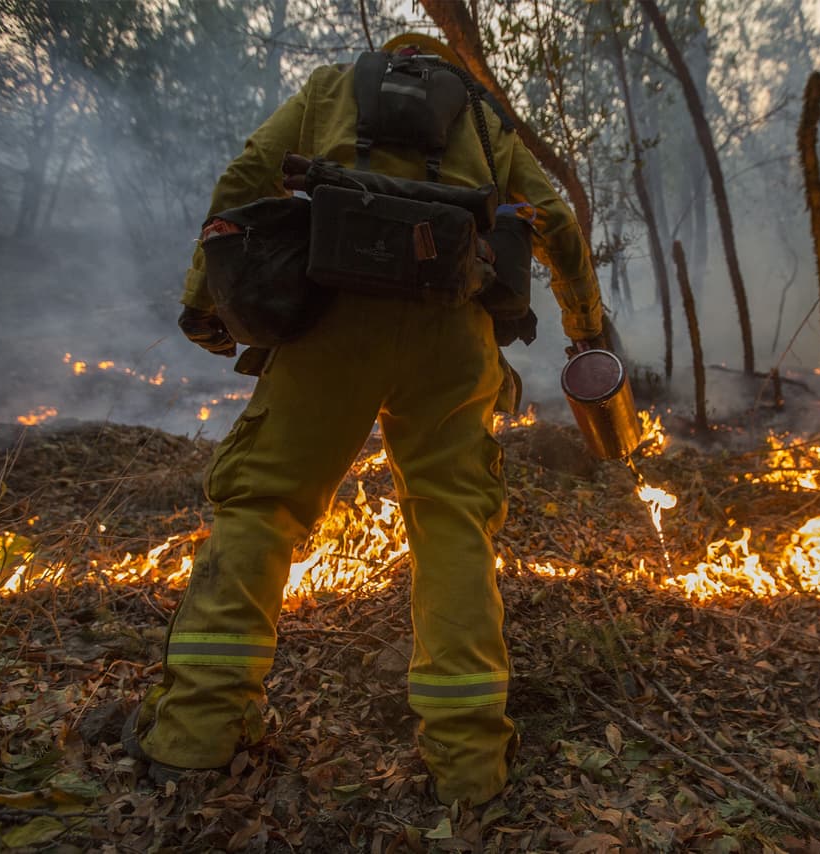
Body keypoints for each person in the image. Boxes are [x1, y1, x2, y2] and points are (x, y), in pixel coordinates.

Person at [124, 33, 604, 807]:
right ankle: (469, 765)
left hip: (330, 323)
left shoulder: (331, 89)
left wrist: (204, 298)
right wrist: (587, 328)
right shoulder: (486, 121)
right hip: (452, 335)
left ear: (386, 64)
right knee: (451, 520)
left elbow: (248, 176)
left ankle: (195, 737)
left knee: (263, 505)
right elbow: (555, 223)